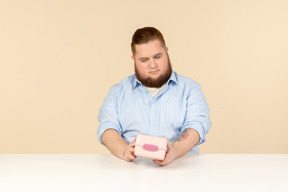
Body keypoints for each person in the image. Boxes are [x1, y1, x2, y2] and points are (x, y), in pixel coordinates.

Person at [97, 27, 211, 166]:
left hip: (180, 170)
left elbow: (196, 126)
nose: (153, 65)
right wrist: (124, 150)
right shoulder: (117, 91)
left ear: (166, 52)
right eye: (144, 60)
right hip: (129, 173)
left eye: (158, 57)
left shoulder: (190, 89)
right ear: (134, 60)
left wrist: (173, 151)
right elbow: (108, 127)